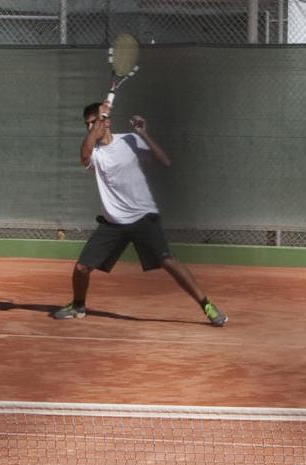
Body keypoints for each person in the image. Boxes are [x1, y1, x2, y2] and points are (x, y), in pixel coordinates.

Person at [51, 102, 227, 327]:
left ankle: (207, 305)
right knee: (81, 268)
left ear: (106, 121)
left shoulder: (129, 141)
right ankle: (78, 306)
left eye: (93, 122)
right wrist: (97, 123)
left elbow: (164, 161)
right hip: (113, 222)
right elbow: (84, 156)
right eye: (86, 124)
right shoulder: (94, 153)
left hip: (144, 216)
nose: (89, 128)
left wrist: (143, 133)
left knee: (168, 262)